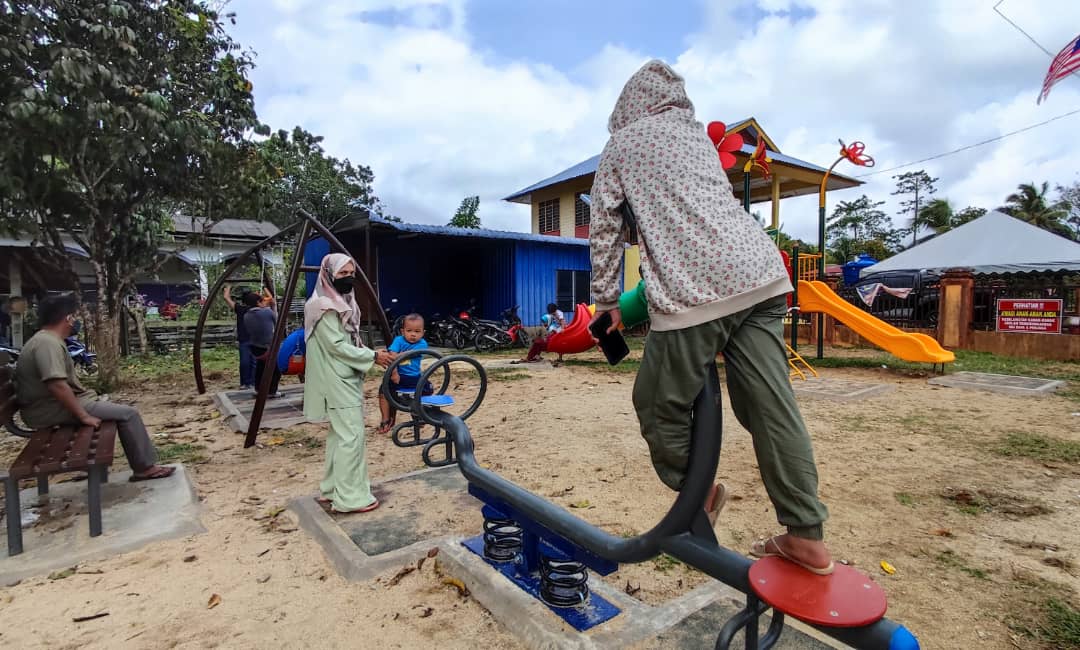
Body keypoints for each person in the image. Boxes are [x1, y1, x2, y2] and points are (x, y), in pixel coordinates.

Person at [588, 60, 832, 575]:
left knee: (656, 401)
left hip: (696, 287)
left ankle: (697, 496)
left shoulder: (622, 144)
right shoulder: (695, 135)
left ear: (627, 105)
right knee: (770, 406)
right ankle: (806, 535)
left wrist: (606, 301)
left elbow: (605, 226)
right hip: (762, 274)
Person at [14, 294, 175, 481]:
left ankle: (98, 467)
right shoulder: (47, 343)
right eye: (75, 316)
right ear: (68, 318)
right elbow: (56, 384)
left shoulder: (45, 340)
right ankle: (145, 468)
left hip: (52, 406)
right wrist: (84, 416)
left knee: (116, 409)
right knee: (128, 414)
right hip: (50, 410)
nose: (76, 321)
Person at [303, 253, 395, 514]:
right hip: (336, 379)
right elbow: (336, 346)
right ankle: (351, 498)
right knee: (352, 437)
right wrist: (373, 356)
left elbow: (350, 341)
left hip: (342, 376)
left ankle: (332, 488)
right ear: (328, 275)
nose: (349, 278)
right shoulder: (323, 306)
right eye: (342, 273)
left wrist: (373, 353)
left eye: (351, 273)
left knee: (339, 435)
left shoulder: (340, 302)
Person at [377, 313, 433, 434]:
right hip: (397, 375)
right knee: (383, 392)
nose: (413, 334)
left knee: (428, 388)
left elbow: (400, 355)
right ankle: (385, 419)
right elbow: (392, 356)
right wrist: (394, 372)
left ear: (423, 333)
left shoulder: (422, 344)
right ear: (403, 331)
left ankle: (418, 413)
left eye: (417, 331)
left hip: (414, 377)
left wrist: (394, 356)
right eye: (409, 331)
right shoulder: (398, 340)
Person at [243, 288, 282, 398]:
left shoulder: (246, 315)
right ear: (258, 302)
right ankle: (272, 391)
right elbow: (278, 321)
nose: (265, 303)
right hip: (268, 347)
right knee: (275, 369)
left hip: (255, 348)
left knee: (260, 368)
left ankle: (258, 389)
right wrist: (274, 306)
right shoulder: (267, 312)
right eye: (263, 301)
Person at [223, 285, 255, 390]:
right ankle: (250, 383)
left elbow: (226, 297)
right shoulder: (253, 309)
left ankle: (248, 383)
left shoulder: (243, 309)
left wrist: (228, 287)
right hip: (251, 339)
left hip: (248, 339)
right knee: (251, 362)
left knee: (247, 362)